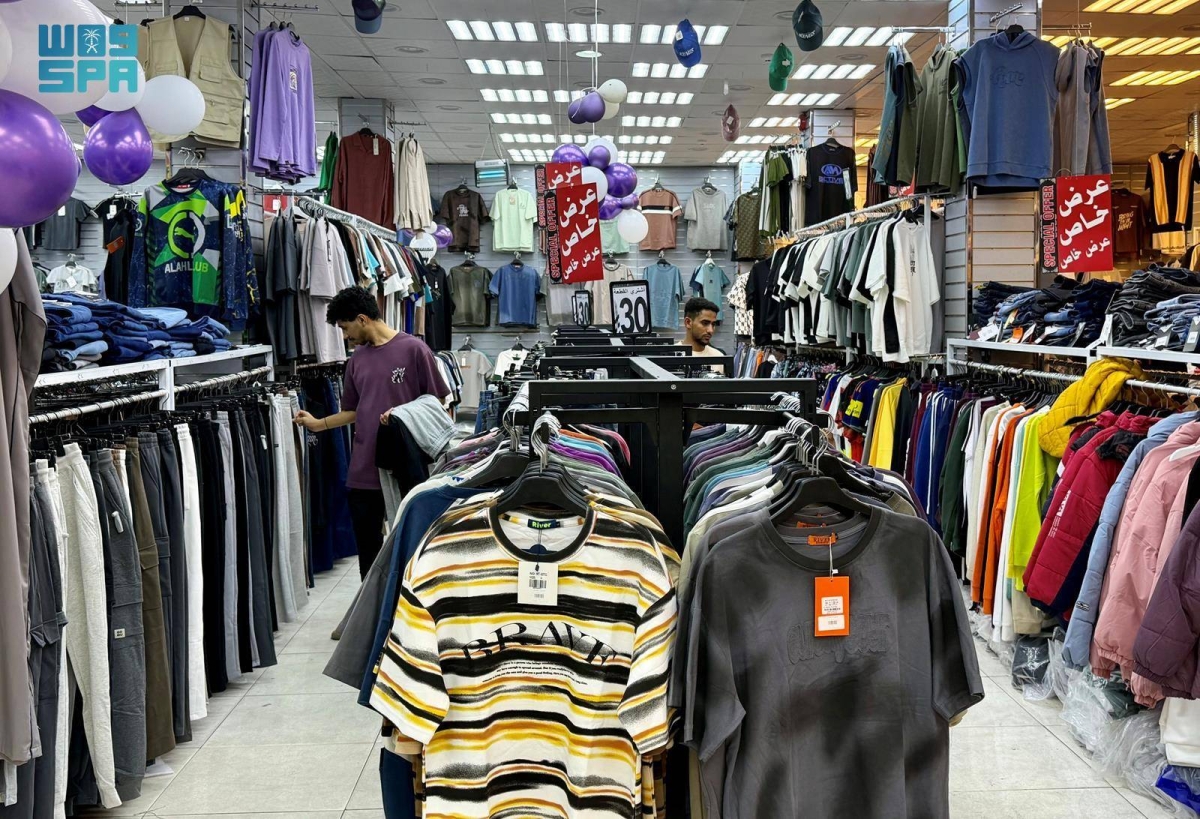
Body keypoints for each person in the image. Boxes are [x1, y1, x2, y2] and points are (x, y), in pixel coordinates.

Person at [293, 286, 449, 579]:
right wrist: (318, 423)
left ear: (362, 319)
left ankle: (406, 601)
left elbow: (437, 402)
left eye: (345, 327)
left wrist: (402, 413)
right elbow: (353, 410)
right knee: (368, 551)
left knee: (413, 545)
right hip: (363, 469)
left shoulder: (415, 350)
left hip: (405, 467)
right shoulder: (357, 360)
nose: (345, 336)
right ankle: (372, 604)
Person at [681, 296, 725, 371]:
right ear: (688, 323)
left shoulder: (719, 357)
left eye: (713, 324)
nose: (710, 330)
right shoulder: (670, 356)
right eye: (705, 323)